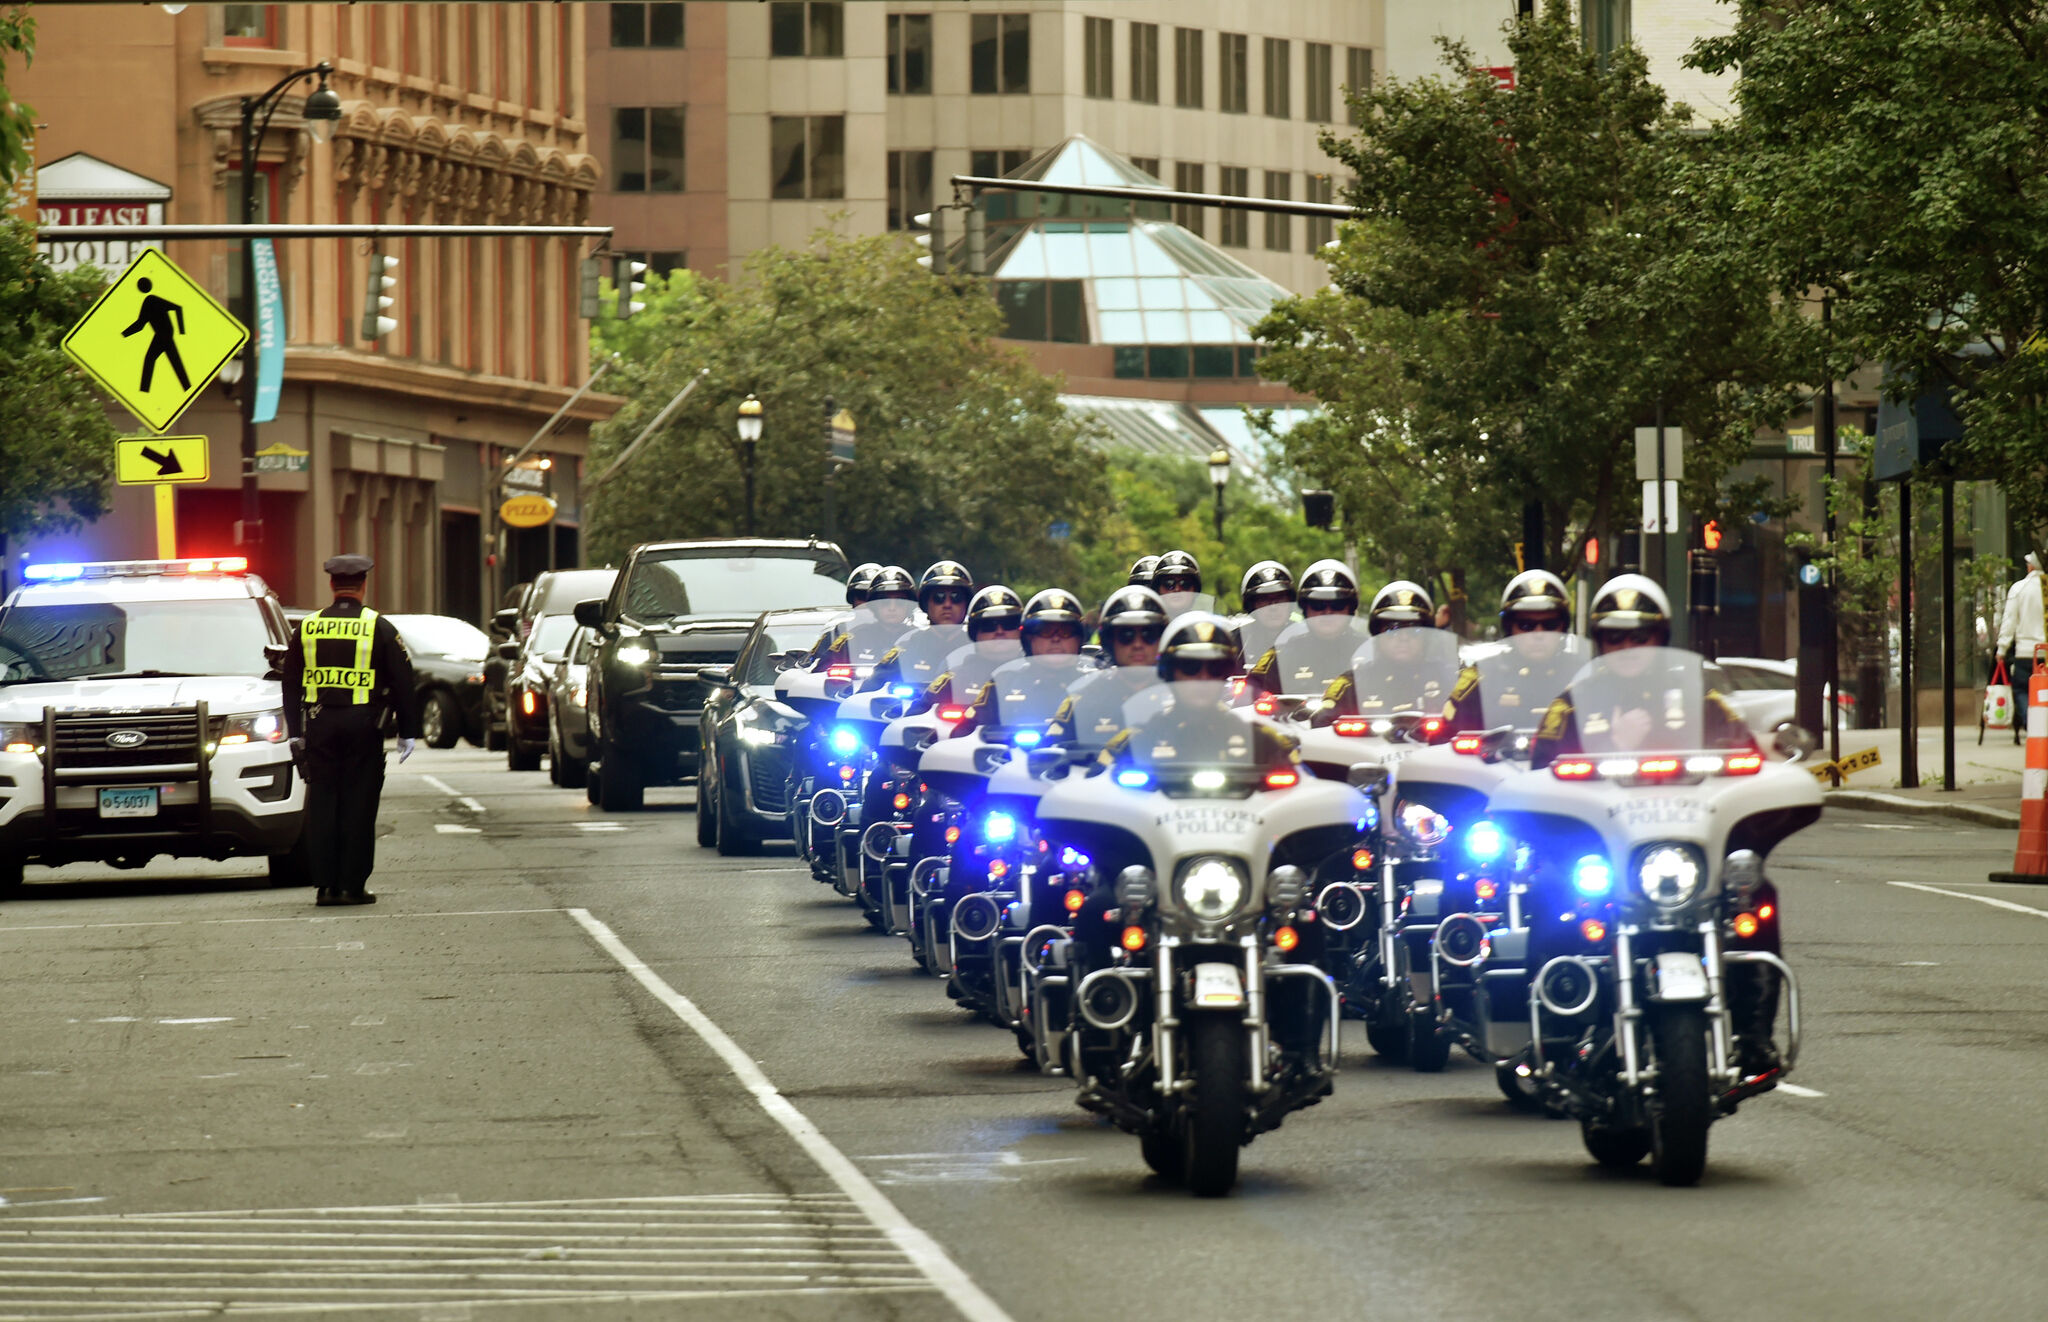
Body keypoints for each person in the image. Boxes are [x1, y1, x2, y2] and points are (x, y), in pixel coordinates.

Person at [1527, 574, 1781, 1078]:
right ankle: (1556, 1033)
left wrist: (1767, 764)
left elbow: (1746, 754)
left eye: (1638, 636)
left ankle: (1754, 1033)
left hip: (1683, 850)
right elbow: (1536, 774)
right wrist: (1608, 747)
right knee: (1549, 894)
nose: (1627, 648)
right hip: (1604, 850)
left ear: (1660, 638)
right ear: (1599, 641)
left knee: (1754, 894)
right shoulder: (1573, 702)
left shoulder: (1698, 697)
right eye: (1615, 637)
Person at [282, 554, 420, 907]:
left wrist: (295, 731)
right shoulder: (379, 627)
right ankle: (352, 885)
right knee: (359, 804)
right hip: (363, 725)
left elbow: (290, 682)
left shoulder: (308, 627)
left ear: (332, 585)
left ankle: (325, 886)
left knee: (323, 803)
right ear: (363, 585)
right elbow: (403, 681)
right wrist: (408, 731)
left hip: (319, 724)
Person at [1436, 569, 1587, 741]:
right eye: (1526, 625)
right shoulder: (1481, 677)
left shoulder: (1584, 676)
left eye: (1550, 624)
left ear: (1563, 628)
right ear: (1509, 628)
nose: (1538, 633)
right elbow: (1443, 740)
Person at [1052, 586, 1170, 751]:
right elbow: (1049, 755)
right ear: (1109, 641)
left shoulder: (1182, 696)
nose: (1137, 645)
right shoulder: (1084, 698)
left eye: (1148, 635)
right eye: (1126, 636)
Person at [959, 589, 1090, 734]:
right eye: (1045, 631)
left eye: (1065, 632)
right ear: (1029, 639)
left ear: (1079, 639)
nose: (1056, 639)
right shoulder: (1003, 684)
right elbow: (962, 735)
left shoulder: (1093, 687)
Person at [1244, 559, 1369, 699]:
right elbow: (1247, 696)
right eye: (1318, 605)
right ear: (1305, 609)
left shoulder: (1369, 652)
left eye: (1337, 605)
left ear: (1350, 609)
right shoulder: (1283, 652)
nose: (1327, 613)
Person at [864, 560, 974, 692]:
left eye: (956, 597)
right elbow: (869, 689)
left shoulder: (979, 648)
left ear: (966, 605)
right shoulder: (907, 646)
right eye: (939, 597)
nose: (947, 605)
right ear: (926, 604)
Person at [918, 585, 1024, 714]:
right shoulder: (955, 679)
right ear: (975, 633)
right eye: (989, 626)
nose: (999, 632)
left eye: (1009, 624)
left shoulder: (1040, 674)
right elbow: (914, 718)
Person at [816, 565, 918, 669]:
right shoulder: (852, 638)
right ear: (874, 606)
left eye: (900, 602)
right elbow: (821, 673)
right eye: (885, 602)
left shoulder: (921, 639)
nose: (892, 608)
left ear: (909, 606)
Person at [1997, 552, 2044, 746]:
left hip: (2025, 651)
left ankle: (2032, 723)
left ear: (2031, 566)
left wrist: (2002, 648)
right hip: (2045, 653)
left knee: (2022, 690)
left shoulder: (2019, 588)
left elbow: (2009, 621)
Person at [1232, 561, 1297, 667]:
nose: (1273, 607)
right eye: (1264, 600)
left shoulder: (1305, 637)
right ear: (1251, 605)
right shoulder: (1235, 643)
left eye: (1280, 599)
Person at [1152, 549, 1214, 619]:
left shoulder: (1205, 625)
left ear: (1195, 590)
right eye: (1169, 584)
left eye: (1185, 584)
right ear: (1157, 589)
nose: (1177, 589)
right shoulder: (1146, 625)